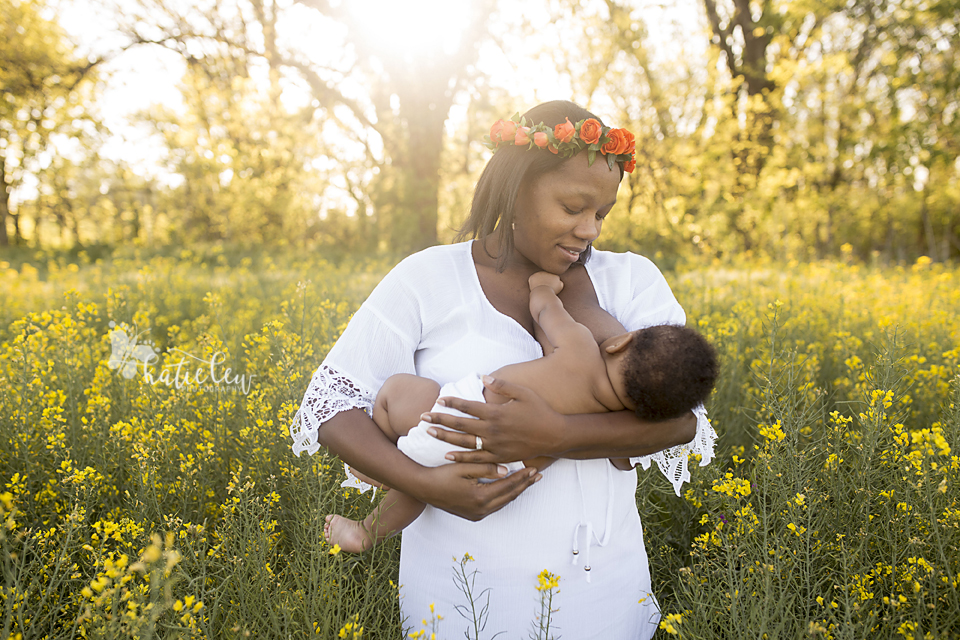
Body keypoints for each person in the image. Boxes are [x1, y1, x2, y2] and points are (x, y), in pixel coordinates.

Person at [290, 100, 717, 639]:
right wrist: (427, 484)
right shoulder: (427, 277)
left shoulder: (632, 281)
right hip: (459, 590)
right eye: (572, 207)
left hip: (601, 587)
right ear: (516, 192)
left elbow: (681, 421)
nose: (589, 229)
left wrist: (557, 433)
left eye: (602, 214)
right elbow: (333, 409)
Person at [323, 271, 718, 553]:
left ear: (619, 343)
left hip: (453, 419)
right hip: (498, 471)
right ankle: (366, 531)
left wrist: (543, 287)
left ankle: (387, 458)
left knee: (399, 392)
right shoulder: (615, 428)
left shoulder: (580, 349)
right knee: (425, 486)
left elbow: (545, 312)